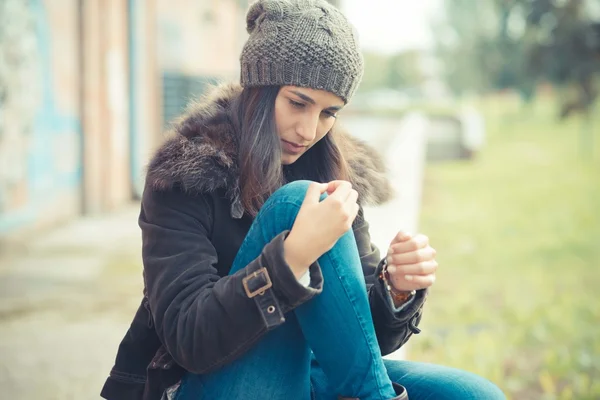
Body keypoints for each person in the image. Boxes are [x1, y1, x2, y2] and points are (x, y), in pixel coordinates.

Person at [101, 1, 506, 399]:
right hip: (204, 382)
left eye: (330, 112)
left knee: (474, 394)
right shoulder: (187, 173)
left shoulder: (336, 173)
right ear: (259, 88)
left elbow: (363, 345)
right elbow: (188, 339)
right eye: (298, 103)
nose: (309, 129)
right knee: (296, 205)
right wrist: (290, 260)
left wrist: (395, 288)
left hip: (310, 375)